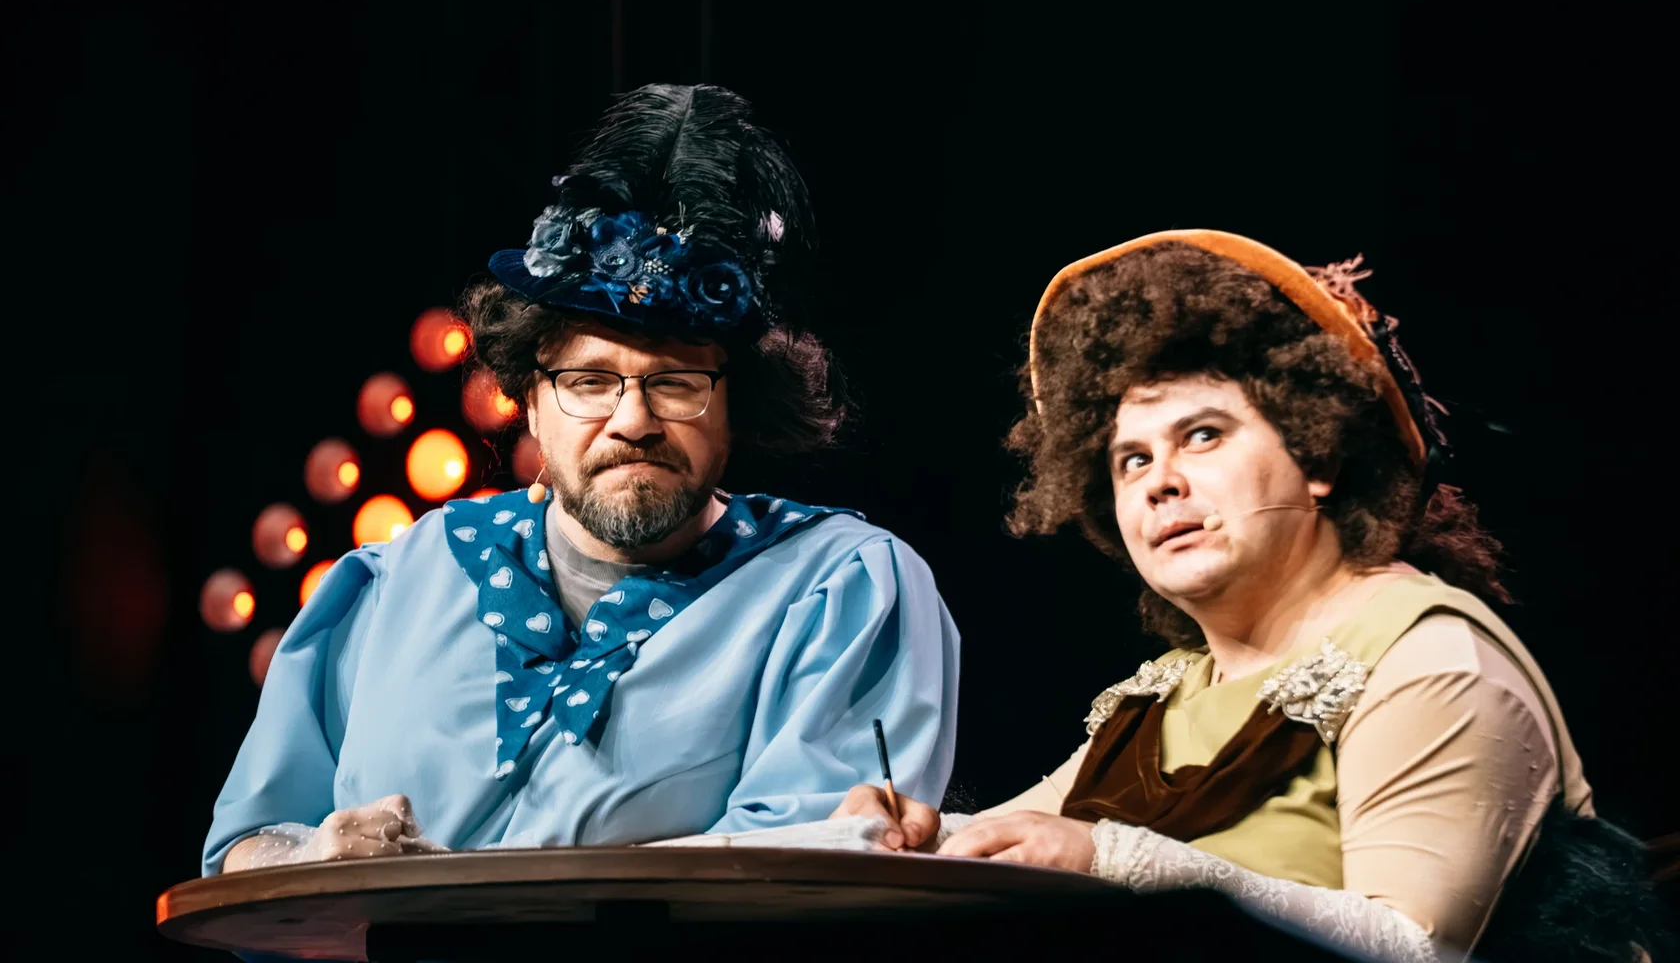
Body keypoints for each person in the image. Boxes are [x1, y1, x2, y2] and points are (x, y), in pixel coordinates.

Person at [833, 230, 1664, 962]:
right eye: (1130, 459)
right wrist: (917, 834)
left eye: (1202, 435)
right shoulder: (1168, 692)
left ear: (1317, 454)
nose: (1159, 482)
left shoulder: (1430, 655)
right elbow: (1022, 844)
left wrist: (1115, 862)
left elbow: (1413, 946)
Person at [204, 83, 960, 875]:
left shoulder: (838, 590)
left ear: (737, 409)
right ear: (530, 402)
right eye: (589, 381)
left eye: (676, 382)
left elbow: (802, 882)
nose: (633, 419)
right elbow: (244, 849)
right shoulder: (398, 580)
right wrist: (313, 851)